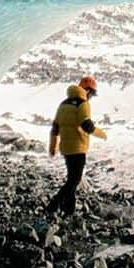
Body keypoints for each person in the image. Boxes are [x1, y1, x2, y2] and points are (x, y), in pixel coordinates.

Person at [46, 75, 107, 217]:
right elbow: (86, 125)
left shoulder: (63, 104)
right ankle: (53, 205)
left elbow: (55, 127)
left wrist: (53, 147)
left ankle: (69, 211)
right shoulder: (83, 104)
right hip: (78, 147)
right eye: (91, 93)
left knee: (71, 179)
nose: (91, 97)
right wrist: (101, 133)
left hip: (66, 148)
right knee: (74, 180)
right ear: (87, 90)